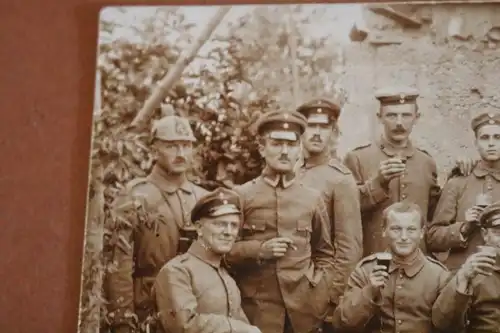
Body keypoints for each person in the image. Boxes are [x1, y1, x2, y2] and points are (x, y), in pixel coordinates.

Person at [225, 110, 335, 333]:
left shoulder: (312, 198)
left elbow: (324, 254)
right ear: (262, 148)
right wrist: (258, 250)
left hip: (304, 315)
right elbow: (223, 253)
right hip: (256, 314)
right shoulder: (242, 196)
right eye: (277, 143)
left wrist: (319, 293)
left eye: (292, 144)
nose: (285, 151)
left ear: (299, 150)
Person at [343, 86, 474, 257]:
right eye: (391, 115)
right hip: (374, 260)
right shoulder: (357, 158)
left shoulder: (426, 162)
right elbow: (345, 211)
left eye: (406, 115)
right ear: (379, 118)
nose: (399, 122)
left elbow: (436, 215)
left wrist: (457, 176)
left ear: (416, 118)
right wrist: (378, 183)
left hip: (418, 265)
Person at [106, 115, 208, 333]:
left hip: (197, 310)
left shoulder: (203, 198)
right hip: (149, 309)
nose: (181, 154)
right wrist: (123, 320)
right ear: (154, 150)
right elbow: (118, 265)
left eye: (186, 146)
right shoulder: (134, 196)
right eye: (171, 146)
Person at [153, 187, 261, 333]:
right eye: (220, 224)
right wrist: (237, 328)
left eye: (234, 225)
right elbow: (182, 326)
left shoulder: (227, 277)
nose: (228, 232)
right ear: (199, 228)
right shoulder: (177, 271)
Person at [332, 201, 450, 333]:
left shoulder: (439, 276)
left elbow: (450, 326)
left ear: (422, 233)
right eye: (396, 229)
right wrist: (370, 291)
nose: (404, 237)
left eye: (411, 229)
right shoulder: (366, 270)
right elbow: (342, 323)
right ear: (384, 231)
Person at [296, 99, 362, 316]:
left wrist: (332, 298)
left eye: (323, 127)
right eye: (310, 126)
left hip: (318, 289)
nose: (316, 133)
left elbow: (349, 248)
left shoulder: (340, 179)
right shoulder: (290, 172)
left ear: (333, 132)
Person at [427, 109, 500, 270]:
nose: (491, 143)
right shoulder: (458, 182)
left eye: (497, 137)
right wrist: (464, 227)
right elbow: (432, 238)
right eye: (485, 138)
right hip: (464, 273)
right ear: (476, 143)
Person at [432, 201, 500, 333]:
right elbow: (442, 323)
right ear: (485, 235)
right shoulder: (473, 272)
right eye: (498, 232)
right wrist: (463, 279)